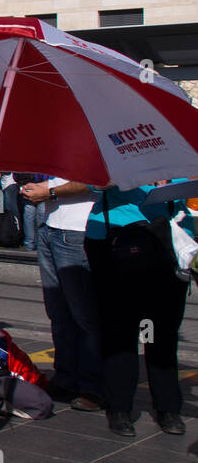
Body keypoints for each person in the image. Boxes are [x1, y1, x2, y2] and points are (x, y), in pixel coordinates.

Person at [83, 182, 193, 437]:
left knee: (163, 332)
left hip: (169, 239)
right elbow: (93, 183)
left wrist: (168, 179)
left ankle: (168, 408)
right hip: (115, 237)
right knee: (119, 330)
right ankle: (119, 407)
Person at [22, 177, 102, 411]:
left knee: (84, 314)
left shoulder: (92, 141)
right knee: (58, 311)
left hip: (76, 229)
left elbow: (97, 179)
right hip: (50, 225)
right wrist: (40, 188)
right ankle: (66, 378)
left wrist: (51, 192)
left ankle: (92, 386)